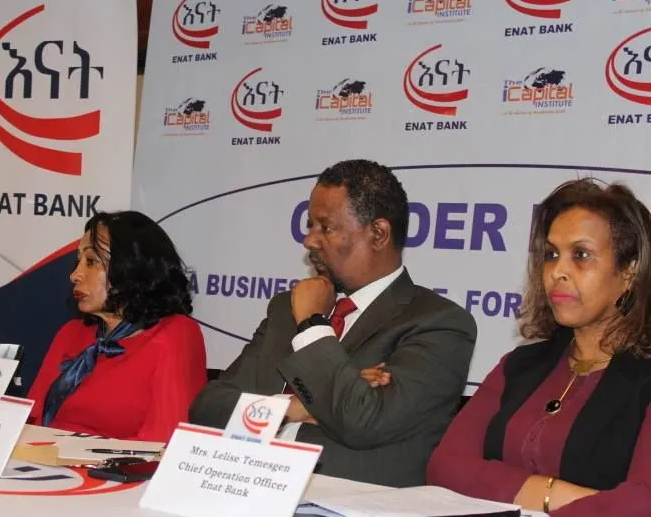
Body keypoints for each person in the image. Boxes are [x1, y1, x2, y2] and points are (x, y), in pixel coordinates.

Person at [427, 179, 651, 517]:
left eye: (581, 255)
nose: (558, 272)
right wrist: (557, 495)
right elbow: (445, 468)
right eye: (551, 255)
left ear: (630, 271)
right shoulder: (520, 365)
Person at [189, 159, 477, 486]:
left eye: (325, 227)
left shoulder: (438, 324)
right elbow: (208, 408)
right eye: (310, 225)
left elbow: (363, 421)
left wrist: (312, 325)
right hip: (244, 487)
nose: (309, 241)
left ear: (379, 234)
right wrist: (294, 407)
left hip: (349, 505)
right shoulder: (286, 309)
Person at [26, 210, 207, 442]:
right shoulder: (70, 333)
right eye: (78, 261)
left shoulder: (175, 334)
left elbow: (163, 443)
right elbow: (30, 421)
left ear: (133, 268)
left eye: (91, 262)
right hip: (42, 459)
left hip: (115, 465)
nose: (75, 275)